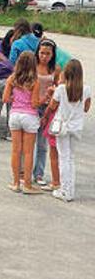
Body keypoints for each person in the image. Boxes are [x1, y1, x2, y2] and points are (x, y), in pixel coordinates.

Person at [47, 60, 90, 202]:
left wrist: (56, 88)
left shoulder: (61, 89)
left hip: (63, 127)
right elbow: (86, 108)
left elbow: (52, 106)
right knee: (70, 158)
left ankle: (65, 190)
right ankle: (70, 189)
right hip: (76, 127)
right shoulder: (86, 89)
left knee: (63, 158)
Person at [3, 51, 43, 195]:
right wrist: (44, 99)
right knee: (28, 152)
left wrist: (16, 99)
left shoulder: (12, 79)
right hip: (29, 117)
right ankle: (27, 183)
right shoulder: (35, 82)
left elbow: (5, 98)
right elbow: (34, 103)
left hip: (15, 115)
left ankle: (15, 183)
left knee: (15, 151)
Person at [32, 39, 60, 186]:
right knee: (30, 142)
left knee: (42, 144)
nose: (44, 56)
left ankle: (39, 173)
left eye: (48, 54)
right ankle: (25, 172)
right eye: (42, 53)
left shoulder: (55, 69)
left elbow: (59, 88)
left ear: (52, 55)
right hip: (32, 106)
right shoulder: (33, 66)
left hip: (47, 108)